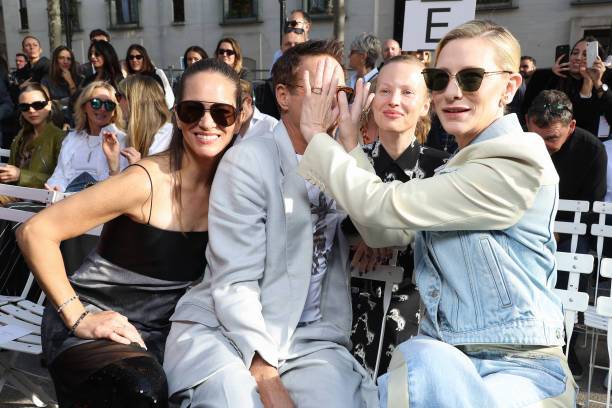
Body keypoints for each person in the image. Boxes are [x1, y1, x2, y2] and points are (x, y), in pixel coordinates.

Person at [297, 20, 576, 407]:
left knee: (422, 359)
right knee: (419, 360)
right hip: (446, 359)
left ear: (509, 87)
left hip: (517, 368)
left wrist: (316, 136)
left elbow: (382, 205)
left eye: (472, 78)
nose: (453, 92)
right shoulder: (460, 166)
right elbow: (384, 231)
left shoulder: (516, 160)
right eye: (440, 79)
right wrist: (348, 144)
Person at [163, 40, 378, 408]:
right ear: (283, 96)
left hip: (310, 340)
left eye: (340, 90)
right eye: (320, 88)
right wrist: (264, 373)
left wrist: (349, 140)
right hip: (226, 331)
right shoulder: (248, 161)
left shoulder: (340, 163)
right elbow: (235, 282)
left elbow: (377, 226)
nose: (333, 99)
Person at [16, 58, 235, 407]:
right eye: (193, 110)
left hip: (169, 331)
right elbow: (35, 231)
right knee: (142, 391)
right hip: (95, 320)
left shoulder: (235, 185)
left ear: (240, 118)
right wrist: (79, 317)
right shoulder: (144, 181)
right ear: (177, 116)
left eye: (222, 113)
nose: (207, 123)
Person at [349, 55, 449, 375]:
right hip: (348, 311)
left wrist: (382, 235)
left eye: (407, 92)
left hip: (419, 316)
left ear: (425, 105)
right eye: (385, 91)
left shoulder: (444, 168)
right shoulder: (349, 161)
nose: (393, 100)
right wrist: (360, 235)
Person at [526, 89, 607, 380]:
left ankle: (564, 344)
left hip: (571, 230)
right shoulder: (517, 144)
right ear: (527, 123)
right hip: (525, 225)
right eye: (537, 137)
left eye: (552, 138)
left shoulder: (592, 149)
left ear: (571, 126)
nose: (543, 146)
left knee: (571, 267)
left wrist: (556, 232)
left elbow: (591, 205)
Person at [46, 81, 126, 193]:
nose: (102, 109)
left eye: (109, 105)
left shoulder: (122, 140)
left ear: (114, 111)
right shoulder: (72, 138)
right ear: (84, 106)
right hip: (66, 198)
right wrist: (56, 188)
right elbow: (59, 175)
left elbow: (121, 184)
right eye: (96, 103)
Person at [523, 36, 611, 136]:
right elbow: (529, 109)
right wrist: (551, 77)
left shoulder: (604, 80)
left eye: (586, 55)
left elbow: (582, 121)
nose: (577, 58)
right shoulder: (545, 77)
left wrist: (595, 82)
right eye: (575, 53)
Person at [0, 83, 63, 188]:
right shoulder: (20, 136)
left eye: (38, 105)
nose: (31, 110)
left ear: (49, 105)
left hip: (41, 196)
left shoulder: (60, 138)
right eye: (24, 107)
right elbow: (10, 173)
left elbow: (62, 179)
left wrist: (21, 175)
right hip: (12, 193)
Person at [114, 74, 173, 164]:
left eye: (119, 97)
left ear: (134, 101)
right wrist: (113, 165)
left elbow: (156, 172)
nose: (118, 103)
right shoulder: (128, 135)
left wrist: (137, 166)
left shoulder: (166, 135)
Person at [41, 46, 83, 126]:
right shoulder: (46, 80)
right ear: (55, 60)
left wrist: (70, 82)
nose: (65, 61)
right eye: (61, 58)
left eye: (68, 59)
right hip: (55, 121)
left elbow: (78, 102)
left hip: (75, 121)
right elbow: (45, 104)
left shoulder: (79, 79)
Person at [125, 44, 174, 109]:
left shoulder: (155, 75)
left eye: (138, 57)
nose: (134, 60)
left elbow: (164, 98)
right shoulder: (127, 77)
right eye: (131, 57)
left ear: (144, 58)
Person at [235, 79, 278, 144]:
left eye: (236, 105)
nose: (232, 111)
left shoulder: (270, 125)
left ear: (248, 101)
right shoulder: (227, 126)